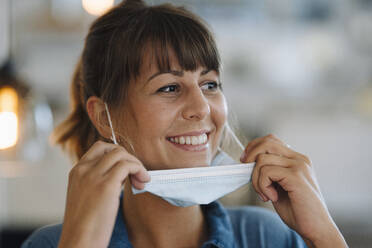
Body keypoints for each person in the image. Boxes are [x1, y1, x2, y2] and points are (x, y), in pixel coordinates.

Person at [21, 0, 348, 247]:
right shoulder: (53, 244)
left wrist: (323, 233)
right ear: (103, 117)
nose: (201, 108)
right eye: (169, 88)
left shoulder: (267, 237)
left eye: (210, 85)